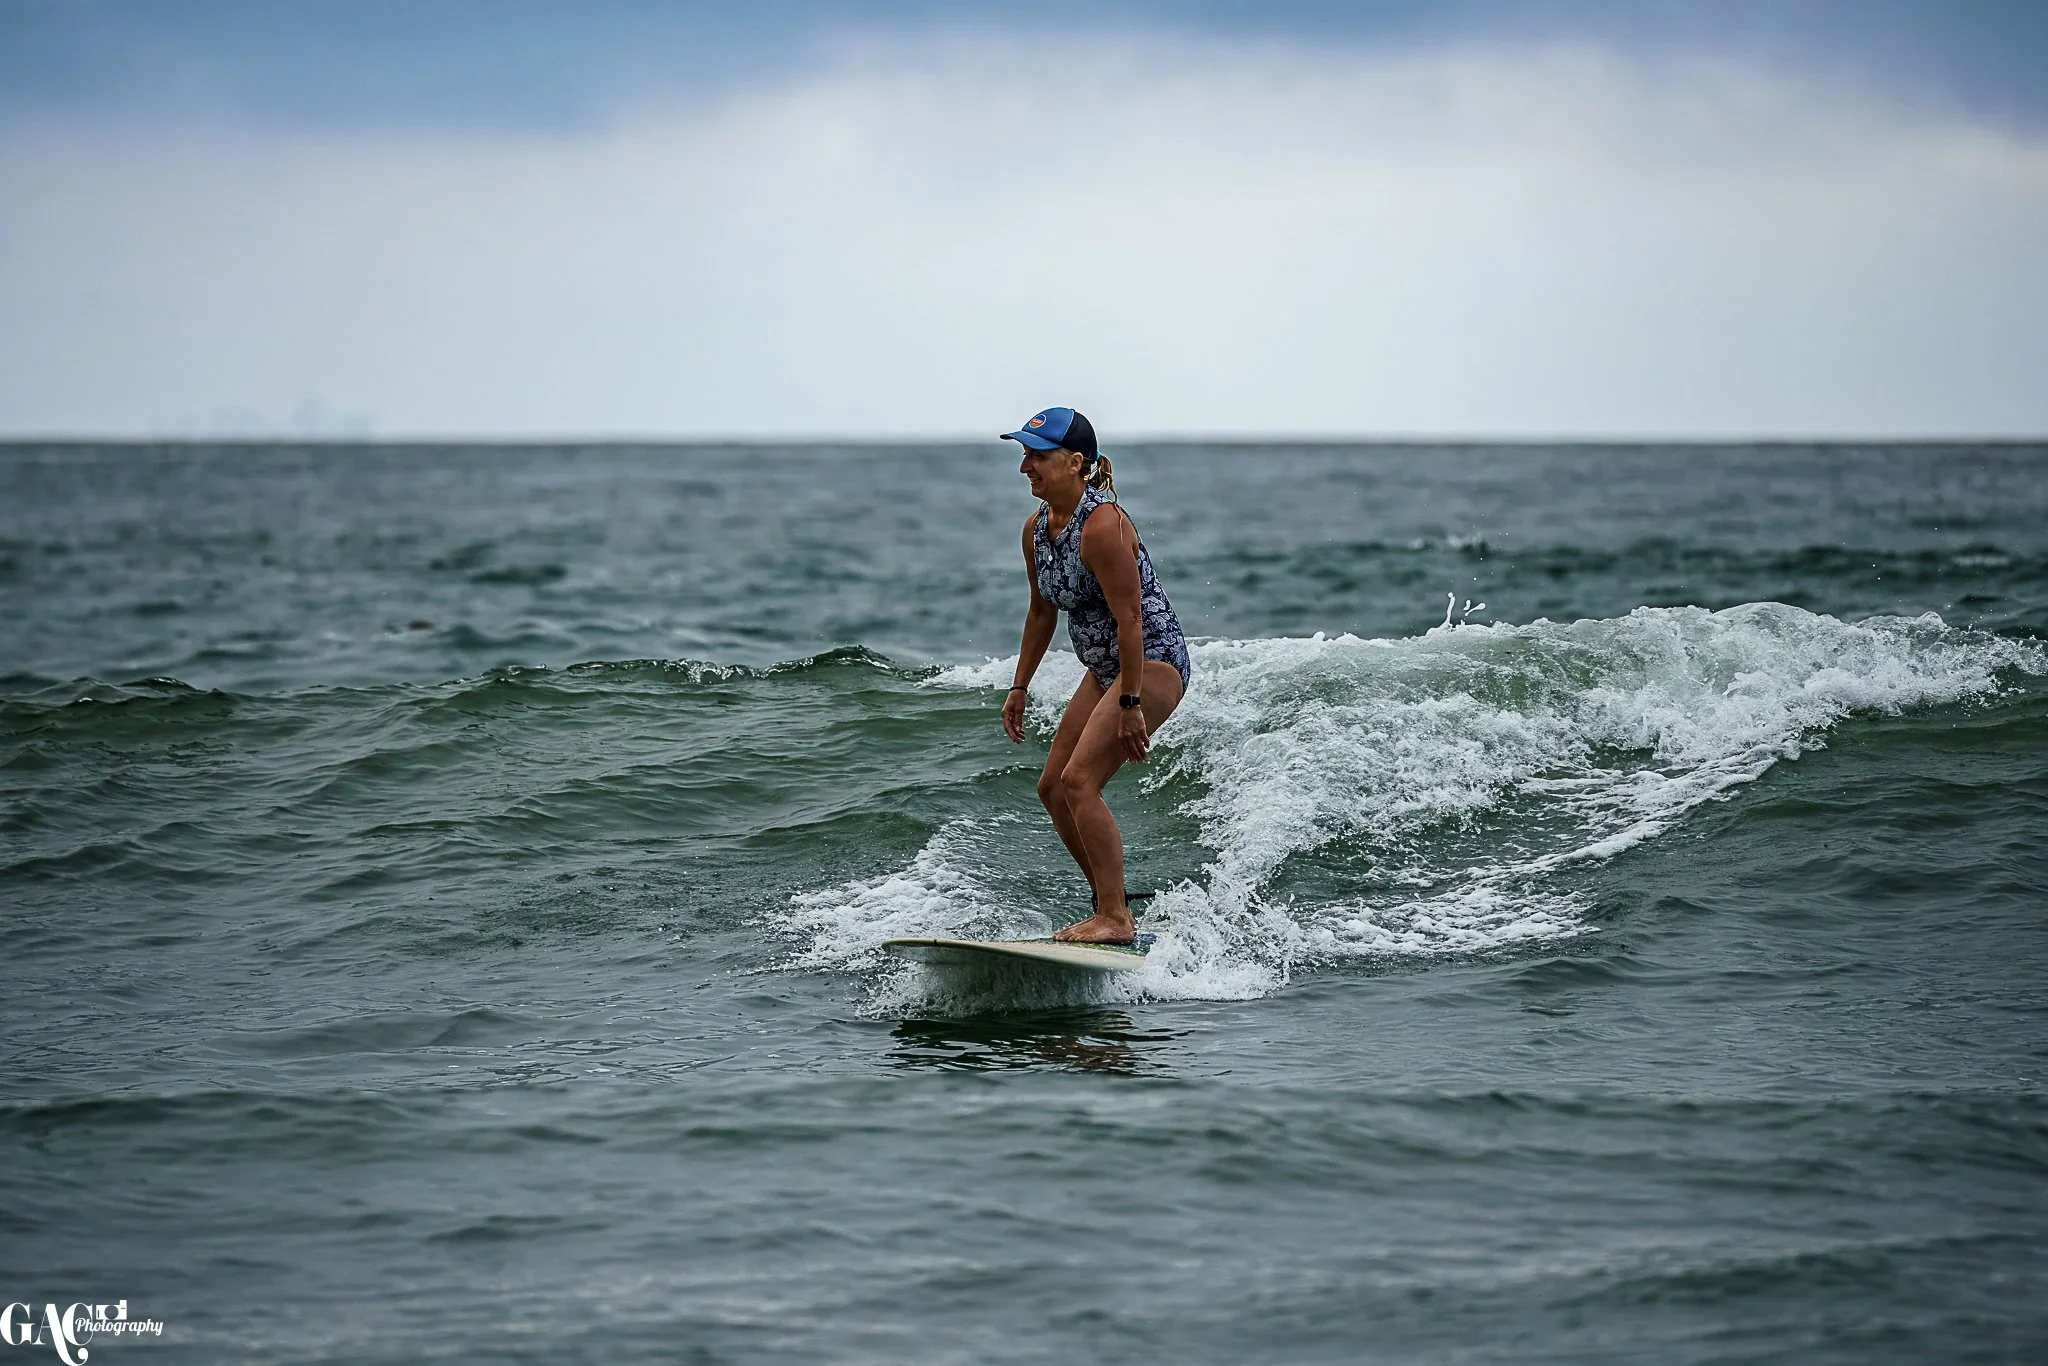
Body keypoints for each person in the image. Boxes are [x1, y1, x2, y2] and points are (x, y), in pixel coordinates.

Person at [998, 408, 1192, 945]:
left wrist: (1131, 703)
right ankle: (1112, 903)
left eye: (1037, 456)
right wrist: (1020, 687)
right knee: (1052, 789)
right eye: (1024, 455)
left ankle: (1115, 919)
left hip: (1150, 664)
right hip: (1105, 668)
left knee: (1079, 783)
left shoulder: (1103, 525)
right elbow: (1041, 612)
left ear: (1074, 462)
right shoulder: (1037, 530)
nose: (1025, 467)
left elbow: (1130, 619)